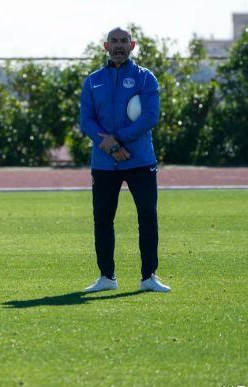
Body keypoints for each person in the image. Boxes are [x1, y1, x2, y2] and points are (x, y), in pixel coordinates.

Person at [79, 27, 171, 293]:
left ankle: (148, 277)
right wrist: (107, 145)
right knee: (103, 219)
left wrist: (116, 140)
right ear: (106, 46)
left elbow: (150, 117)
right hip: (105, 162)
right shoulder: (93, 80)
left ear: (132, 46)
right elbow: (86, 120)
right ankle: (106, 277)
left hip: (139, 159)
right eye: (114, 42)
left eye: (124, 42)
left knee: (147, 217)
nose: (119, 46)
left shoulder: (145, 78)